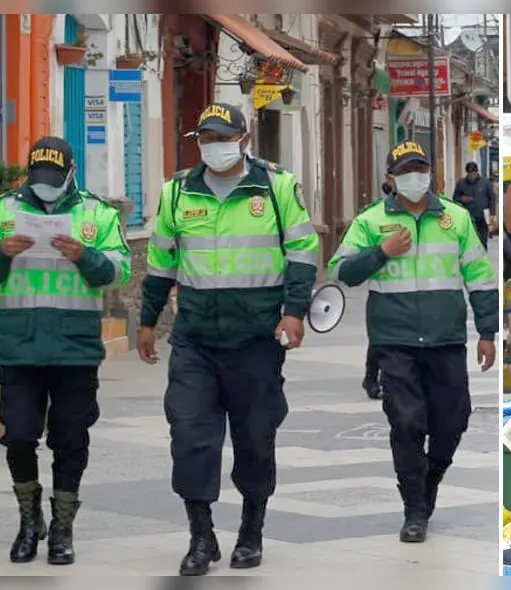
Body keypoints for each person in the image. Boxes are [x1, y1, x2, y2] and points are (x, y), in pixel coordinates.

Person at [137, 103, 320, 575]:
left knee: (255, 439)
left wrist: (294, 312)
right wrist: (147, 319)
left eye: (221, 136)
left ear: (243, 137)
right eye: (205, 137)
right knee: (190, 437)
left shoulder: (276, 186)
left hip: (256, 338)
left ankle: (250, 532)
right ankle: (201, 538)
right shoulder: (177, 192)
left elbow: (301, 252)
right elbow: (160, 262)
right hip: (195, 338)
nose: (213, 145)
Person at [327, 140, 499, 543]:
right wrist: (381, 252)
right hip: (395, 340)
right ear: (391, 179)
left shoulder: (455, 219)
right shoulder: (371, 220)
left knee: (452, 422)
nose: (414, 178)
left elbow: (480, 277)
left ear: (431, 174)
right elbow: (342, 271)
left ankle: (428, 481)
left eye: (420, 169)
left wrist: (488, 333)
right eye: (405, 171)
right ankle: (414, 511)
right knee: (406, 423)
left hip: (446, 339)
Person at [0, 137, 131, 565]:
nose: (46, 186)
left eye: (53, 179)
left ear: (70, 173)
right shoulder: (5, 210)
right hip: (16, 346)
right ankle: (28, 517)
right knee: (17, 435)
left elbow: (118, 272)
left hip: (74, 348)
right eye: (39, 179)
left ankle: (62, 527)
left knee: (69, 439)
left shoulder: (96, 213)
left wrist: (84, 256)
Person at [362, 175, 397, 401]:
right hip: (383, 294)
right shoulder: (374, 215)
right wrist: (382, 251)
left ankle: (383, 380)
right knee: (379, 341)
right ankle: (371, 378)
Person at [451, 161, 495, 249]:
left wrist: (493, 214)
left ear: (477, 172)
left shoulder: (485, 183)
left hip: (483, 216)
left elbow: (492, 198)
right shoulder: (461, 183)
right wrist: (462, 199)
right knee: (470, 238)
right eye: (469, 174)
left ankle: (482, 254)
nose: (471, 176)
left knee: (482, 239)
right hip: (468, 216)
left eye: (473, 174)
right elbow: (455, 198)